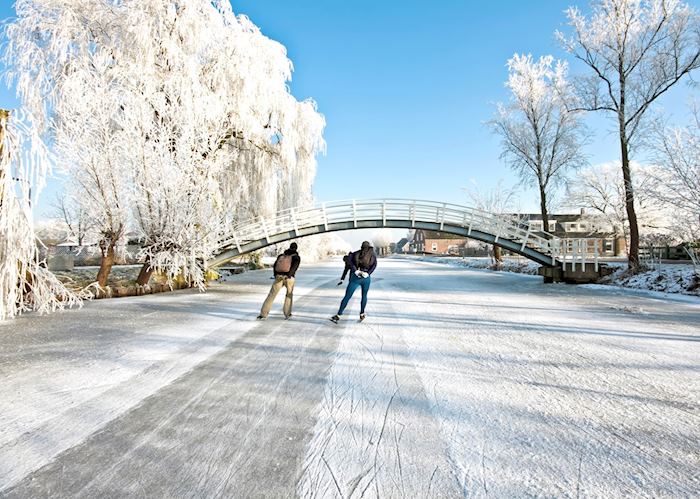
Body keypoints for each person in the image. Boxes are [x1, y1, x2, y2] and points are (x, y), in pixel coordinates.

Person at [330, 241, 377, 323]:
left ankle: (338, 315)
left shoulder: (355, 254)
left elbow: (350, 263)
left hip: (356, 277)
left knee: (347, 296)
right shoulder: (372, 255)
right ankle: (362, 313)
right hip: (366, 278)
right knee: (364, 296)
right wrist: (368, 273)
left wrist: (355, 271)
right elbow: (374, 265)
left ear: (361, 246)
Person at [257, 242, 300, 320]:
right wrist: (289, 275)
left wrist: (276, 274)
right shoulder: (296, 257)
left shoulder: (282, 256)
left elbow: (275, 265)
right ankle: (287, 314)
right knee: (289, 295)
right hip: (289, 278)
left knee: (272, 295)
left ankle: (263, 313)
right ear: (296, 248)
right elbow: (294, 267)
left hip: (279, 277)